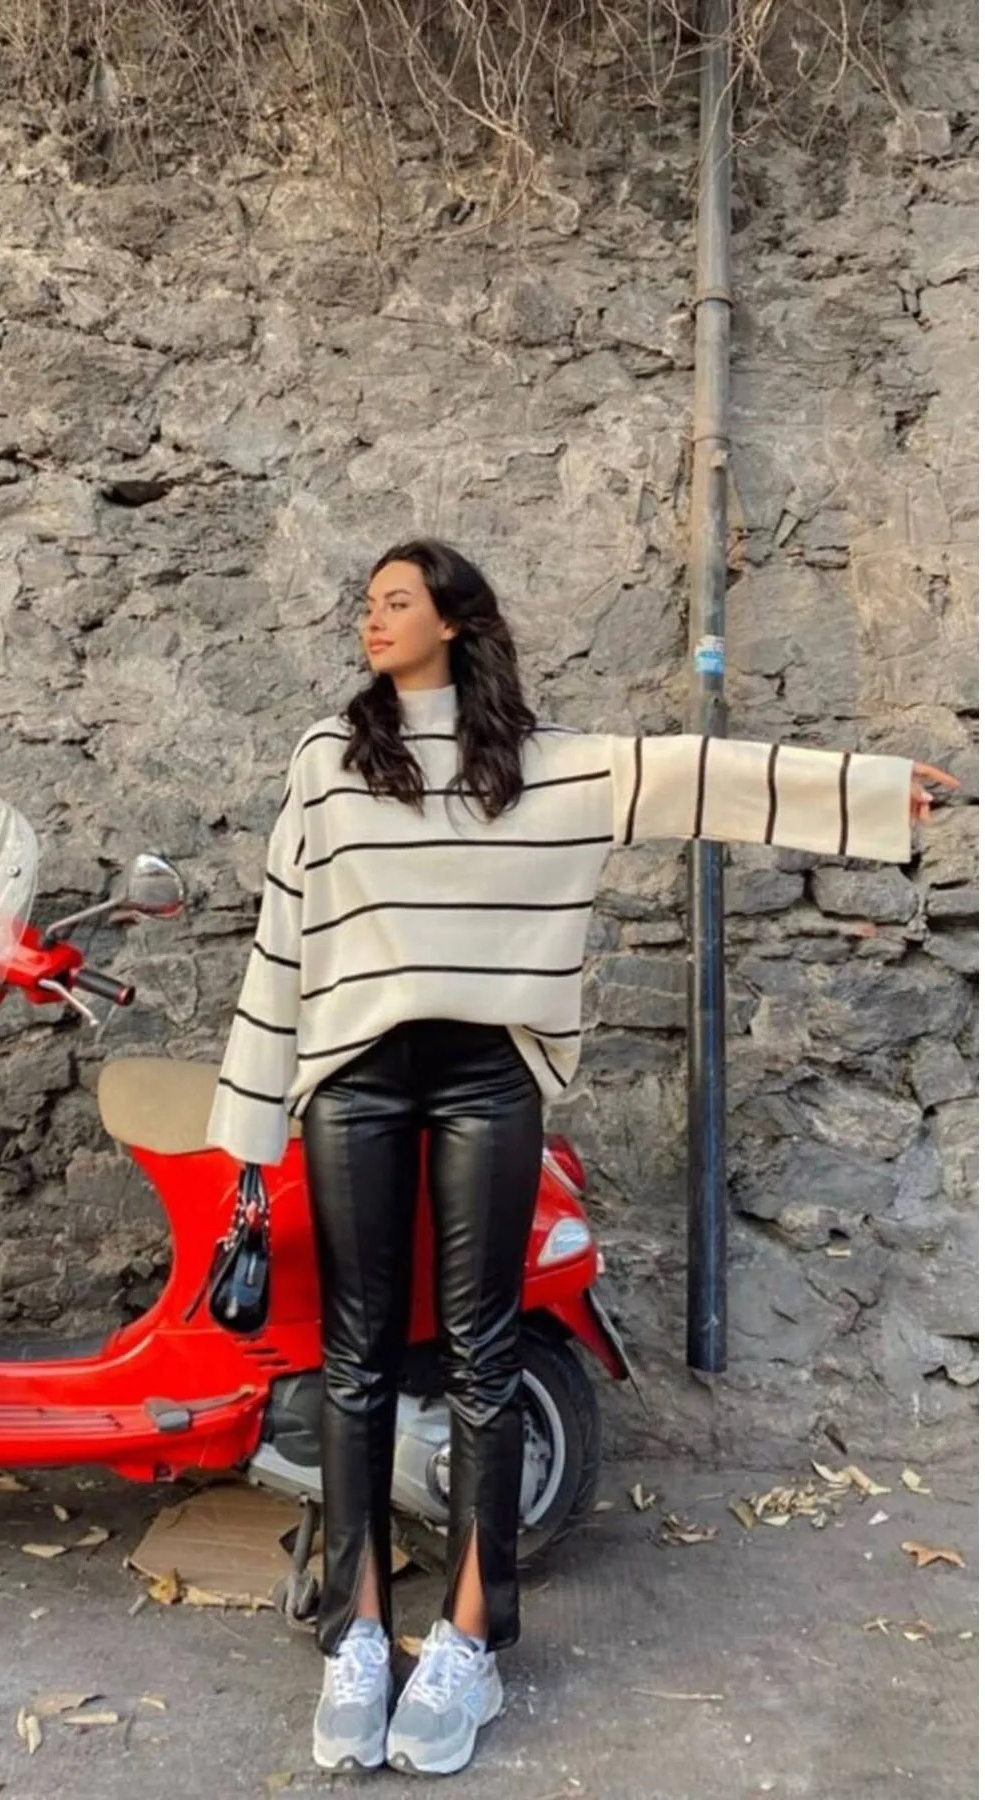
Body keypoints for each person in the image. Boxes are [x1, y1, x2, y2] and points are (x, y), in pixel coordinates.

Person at [205, 539, 956, 1778]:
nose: (372, 621)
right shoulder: (330, 759)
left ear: (455, 621)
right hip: (355, 1077)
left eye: (397, 602)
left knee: (483, 1353)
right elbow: (283, 934)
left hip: (488, 1075)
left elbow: (694, 777)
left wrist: (871, 795)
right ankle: (356, 1633)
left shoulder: (542, 765)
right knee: (356, 1358)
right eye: (367, 604)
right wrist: (247, 1124)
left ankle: (469, 1639)